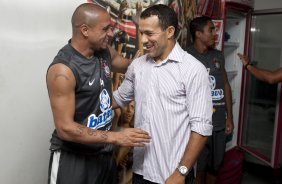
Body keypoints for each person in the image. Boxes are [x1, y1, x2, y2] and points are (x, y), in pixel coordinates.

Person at [46, 3, 151, 184]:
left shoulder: (104, 52)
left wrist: (153, 55)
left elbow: (128, 64)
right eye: (106, 29)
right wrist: (117, 137)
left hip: (102, 156)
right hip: (75, 159)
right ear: (85, 30)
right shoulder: (63, 70)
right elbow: (65, 128)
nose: (111, 33)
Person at [113, 4, 213, 184]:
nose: (143, 40)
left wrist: (181, 172)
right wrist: (83, 101)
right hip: (140, 171)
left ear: (169, 31)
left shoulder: (193, 70)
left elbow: (201, 128)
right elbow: (118, 99)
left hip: (172, 174)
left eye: (149, 33)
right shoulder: (137, 66)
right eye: (141, 32)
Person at [186, 16, 234, 184]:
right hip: (196, 125)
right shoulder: (186, 56)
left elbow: (226, 85)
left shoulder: (218, 56)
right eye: (211, 30)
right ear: (199, 34)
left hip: (219, 123)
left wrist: (230, 117)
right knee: (198, 168)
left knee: (215, 166)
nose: (215, 33)